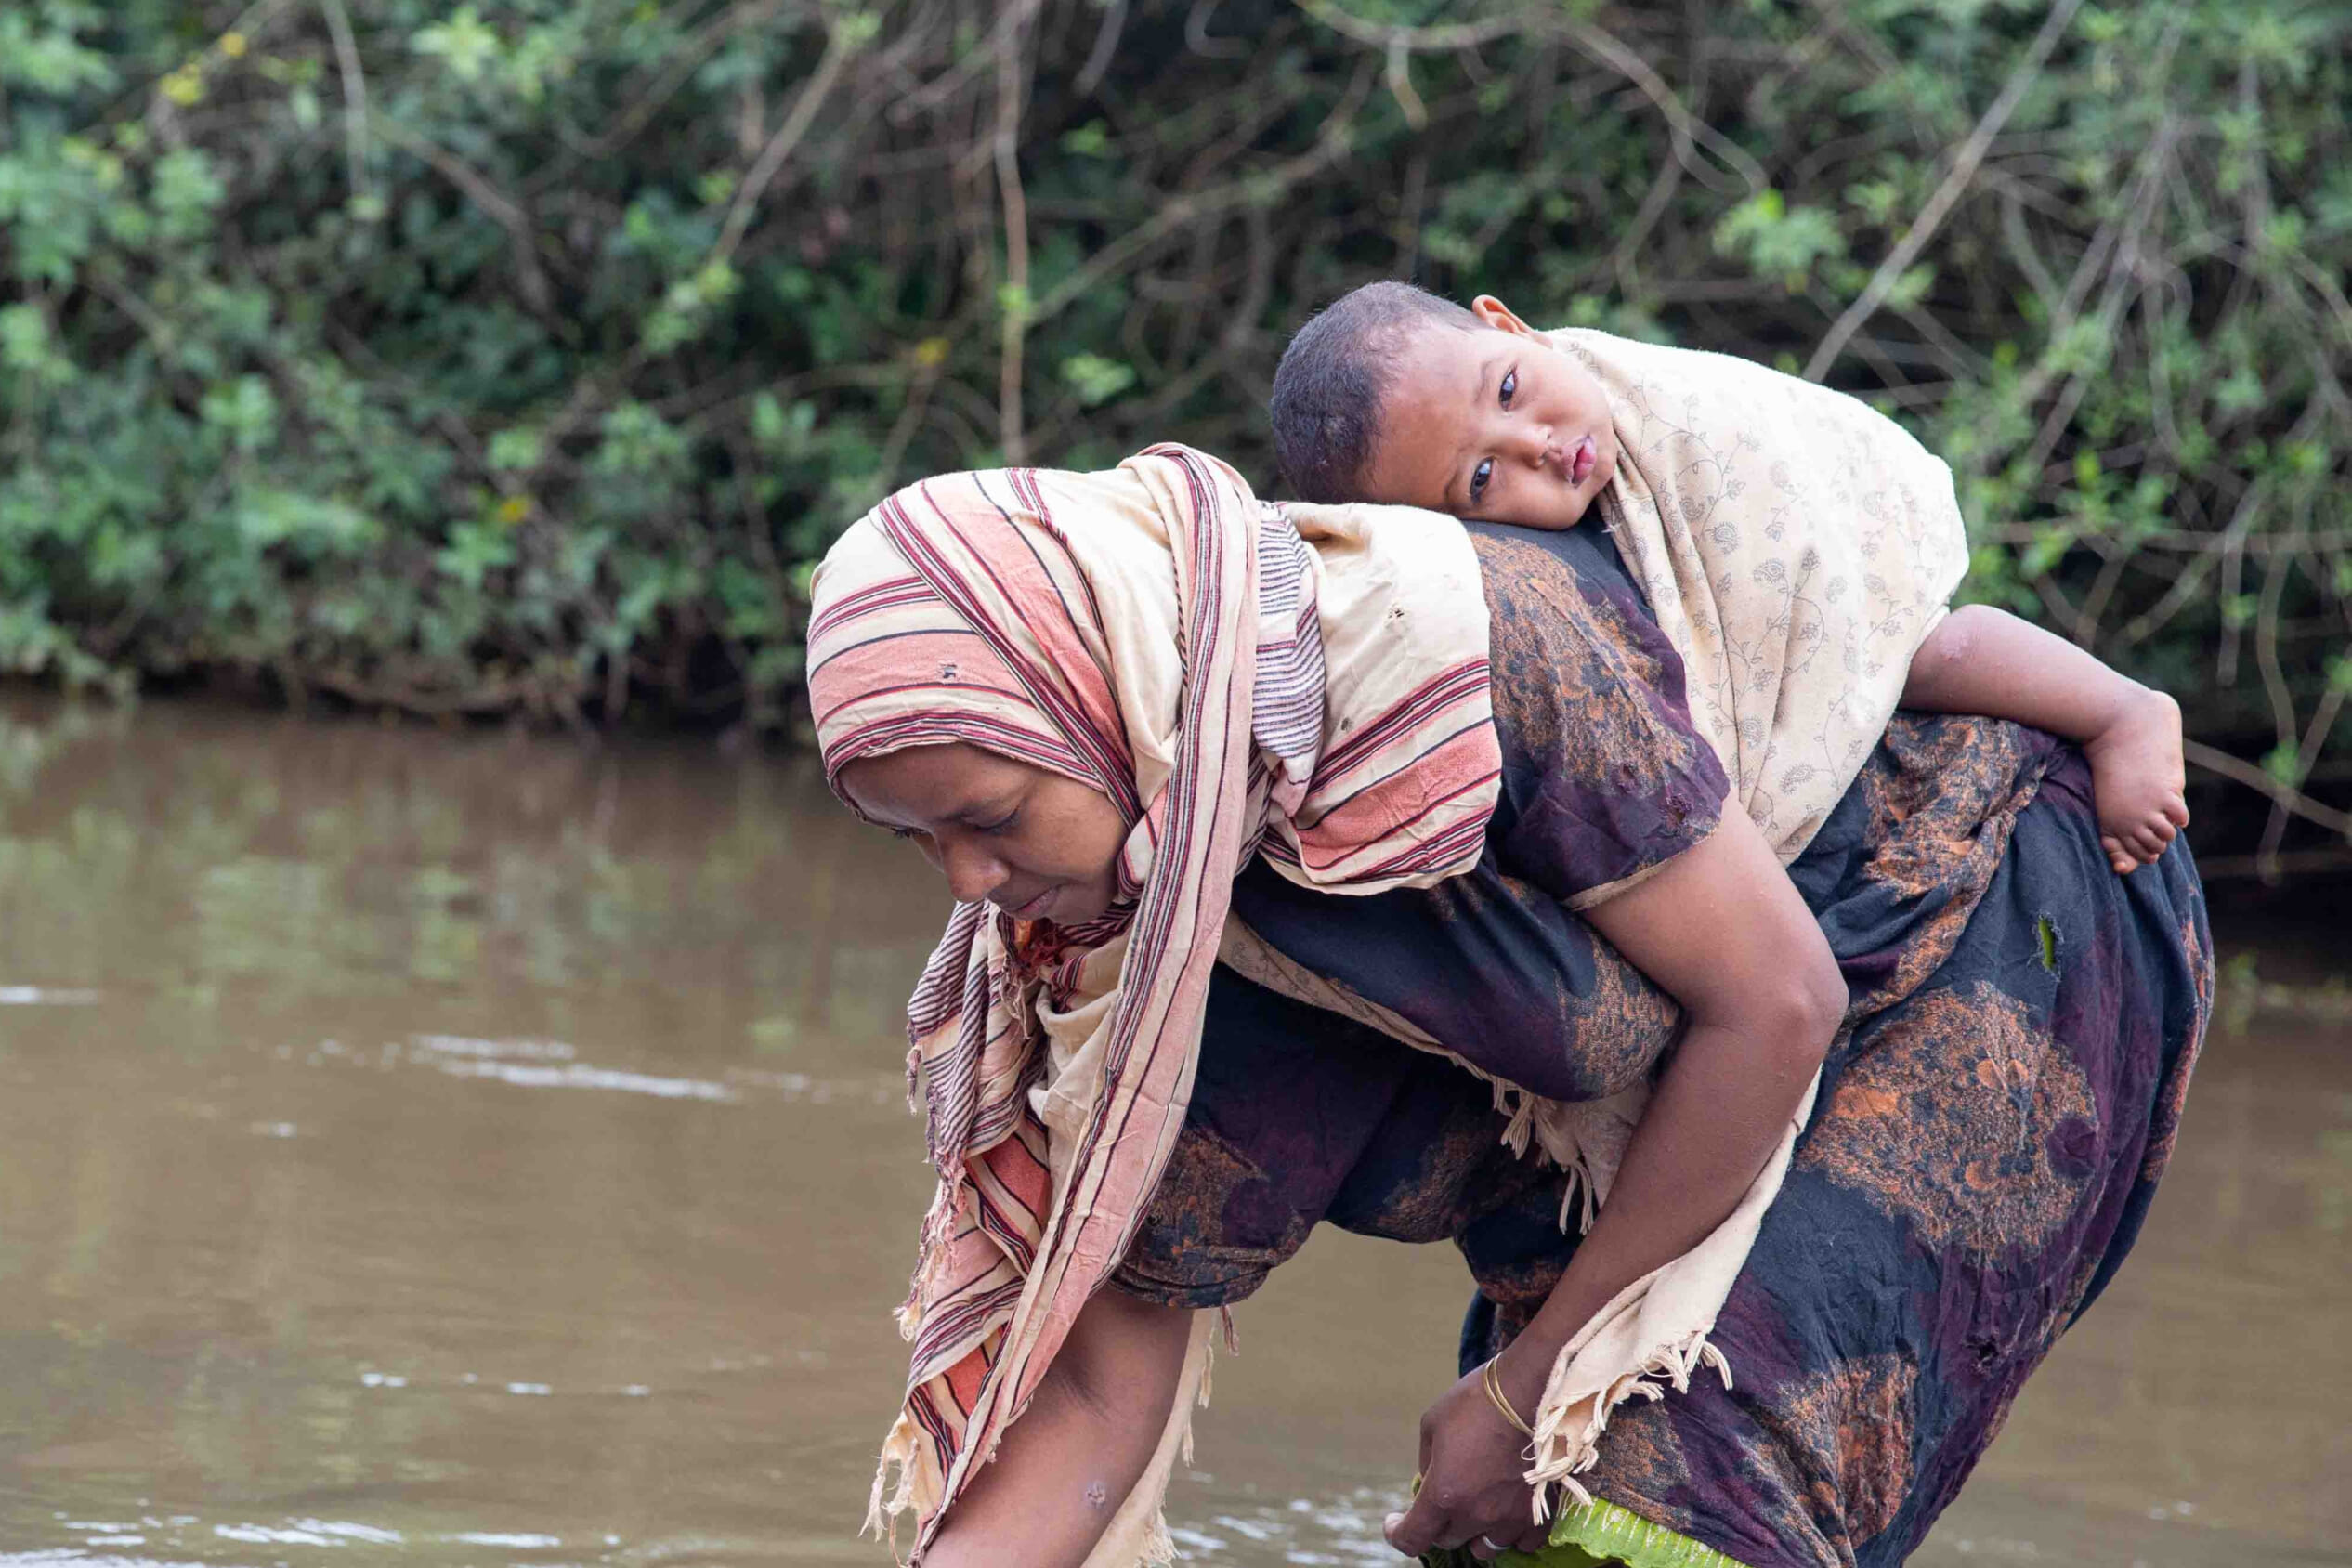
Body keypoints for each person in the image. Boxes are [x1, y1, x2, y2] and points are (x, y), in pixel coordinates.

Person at [808, 447, 2210, 1568]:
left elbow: (1775, 1000)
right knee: (1521, 1524)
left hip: (1959, 924)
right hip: (1639, 1095)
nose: (973, 885)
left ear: (1110, 702)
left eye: (989, 817)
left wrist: (1520, 1390)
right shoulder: (1136, 944)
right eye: (916, 844)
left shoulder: (1470, 653)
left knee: (1668, 1501)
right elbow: (1098, 1405)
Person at [1268, 281, 2189, 879]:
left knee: (1932, 647)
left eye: (1508, 390)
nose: (1541, 446)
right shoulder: (1520, 574)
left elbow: (1766, 476)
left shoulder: (1668, 406)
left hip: (1824, 557)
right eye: (1481, 478)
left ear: (1507, 324)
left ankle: (2124, 708)